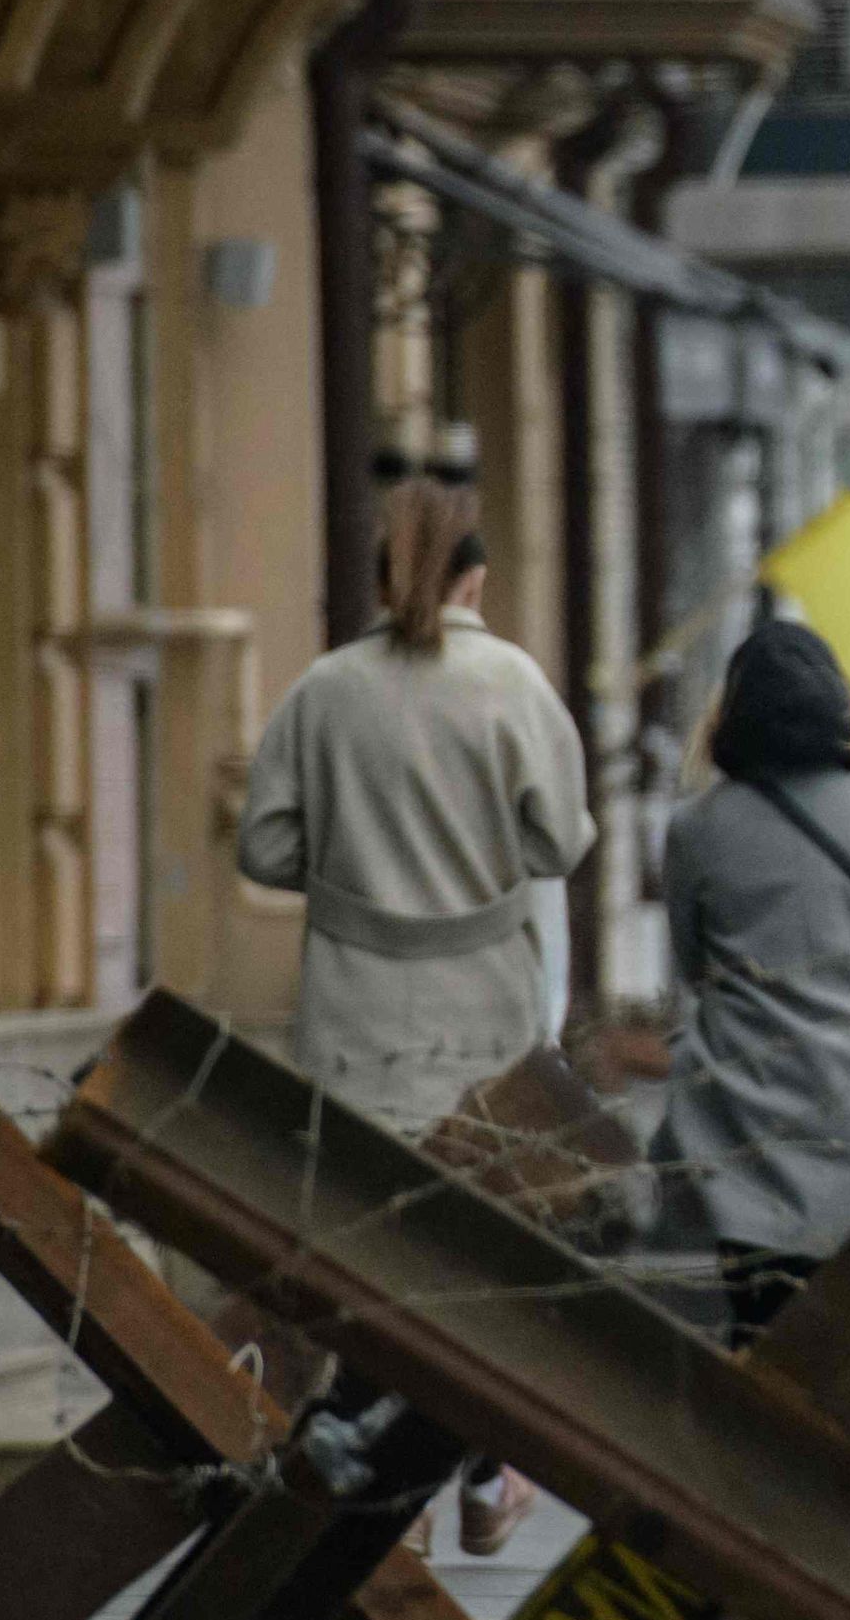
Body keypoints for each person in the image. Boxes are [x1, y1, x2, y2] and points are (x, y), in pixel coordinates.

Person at [238, 459, 591, 1552]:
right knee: (476, 1258)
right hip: (481, 1025)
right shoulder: (515, 688)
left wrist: (356, 873)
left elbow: (263, 845)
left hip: (354, 1024)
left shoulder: (324, 690)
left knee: (368, 1256)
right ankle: (484, 1474)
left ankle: (380, 1497)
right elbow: (558, 843)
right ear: (475, 584)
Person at [660, 620, 850, 1345]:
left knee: (763, 1334)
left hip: (746, 1122)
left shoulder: (696, 828)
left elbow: (693, 965)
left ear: (730, 716)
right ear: (836, 707)